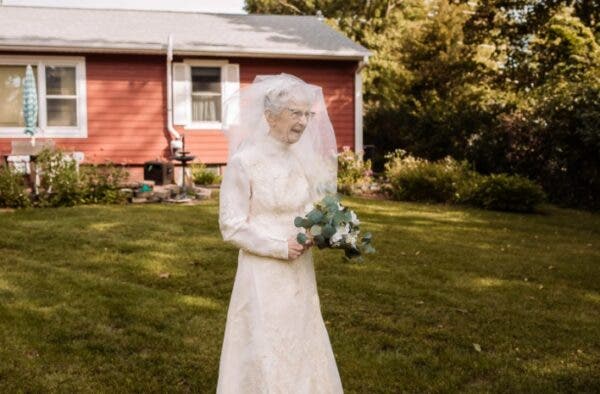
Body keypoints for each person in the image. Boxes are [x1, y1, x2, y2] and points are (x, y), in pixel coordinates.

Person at [216, 73, 343, 393]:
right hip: (263, 270)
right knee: (266, 340)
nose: (303, 122)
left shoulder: (303, 161)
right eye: (295, 113)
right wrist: (278, 246)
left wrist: (323, 230)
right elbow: (231, 226)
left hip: (300, 270)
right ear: (270, 116)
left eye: (307, 114)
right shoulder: (244, 162)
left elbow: (314, 206)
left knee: (301, 336)